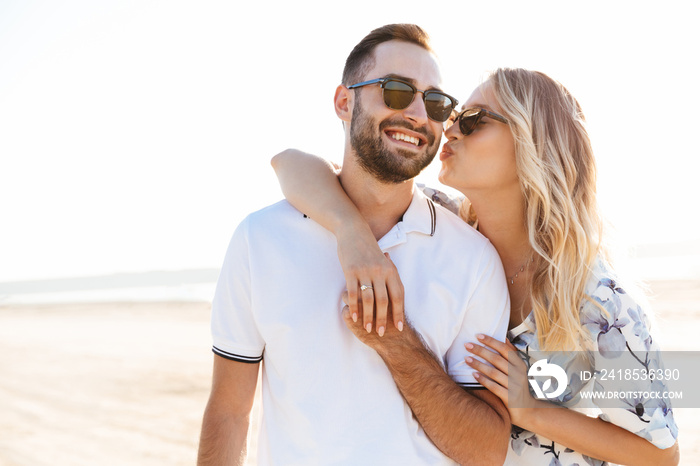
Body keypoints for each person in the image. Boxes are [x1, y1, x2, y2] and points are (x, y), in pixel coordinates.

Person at [271, 68, 680, 465]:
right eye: (452, 117)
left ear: (531, 142)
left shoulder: (599, 300)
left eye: (472, 120)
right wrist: (351, 234)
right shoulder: (442, 224)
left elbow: (661, 453)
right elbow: (290, 164)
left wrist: (530, 410)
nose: (448, 129)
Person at [198, 24, 512, 466]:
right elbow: (230, 413)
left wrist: (396, 342)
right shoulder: (260, 238)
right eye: (398, 91)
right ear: (345, 102)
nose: (420, 115)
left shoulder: (474, 258)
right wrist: (351, 232)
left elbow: (487, 451)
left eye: (437, 102)